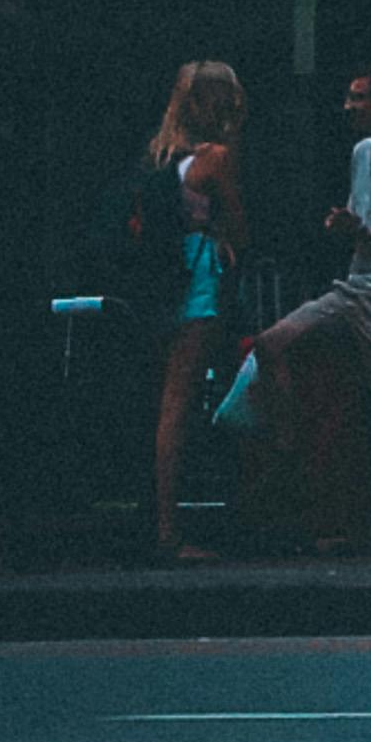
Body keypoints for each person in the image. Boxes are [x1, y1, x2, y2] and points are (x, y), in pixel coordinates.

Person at [257, 65, 371, 554]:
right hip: (354, 285)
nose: (348, 107)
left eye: (359, 98)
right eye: (349, 97)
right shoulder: (360, 153)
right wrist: (347, 225)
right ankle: (290, 456)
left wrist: (362, 233)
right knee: (272, 343)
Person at [122, 61, 255, 562]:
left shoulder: (162, 157)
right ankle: (169, 531)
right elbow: (241, 231)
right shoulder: (217, 159)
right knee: (180, 404)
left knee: (166, 401)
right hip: (198, 282)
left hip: (162, 282)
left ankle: (158, 518)